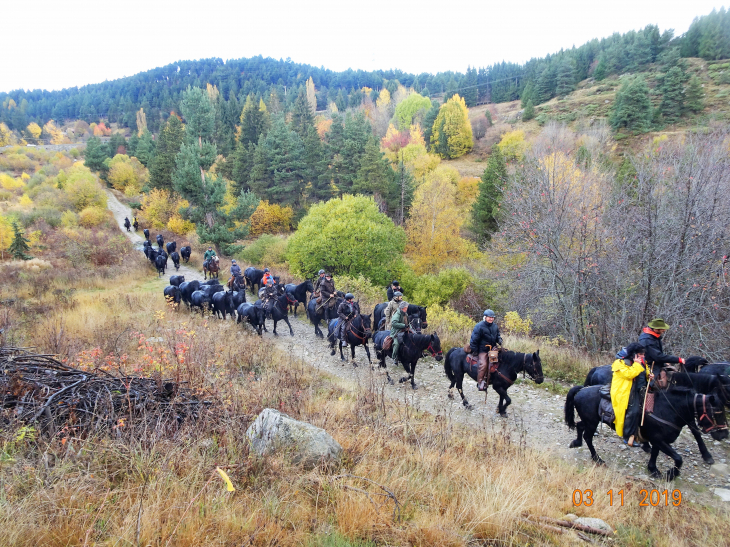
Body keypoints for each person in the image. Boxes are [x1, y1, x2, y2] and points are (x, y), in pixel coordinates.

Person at [611, 343, 653, 447]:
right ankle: (627, 436)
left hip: (640, 389)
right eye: (640, 354)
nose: (643, 356)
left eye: (643, 354)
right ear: (634, 354)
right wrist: (637, 364)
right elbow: (629, 374)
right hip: (626, 391)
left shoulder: (642, 362)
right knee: (634, 411)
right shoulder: (620, 363)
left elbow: (644, 373)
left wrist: (649, 375)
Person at [638, 318, 684, 388]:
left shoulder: (654, 337)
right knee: (653, 384)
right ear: (656, 329)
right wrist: (678, 359)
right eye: (662, 328)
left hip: (655, 363)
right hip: (649, 365)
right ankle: (648, 393)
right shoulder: (647, 340)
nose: (664, 330)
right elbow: (658, 356)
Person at [470, 309, 503, 391]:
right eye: (489, 317)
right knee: (484, 364)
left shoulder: (495, 326)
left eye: (492, 317)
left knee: (503, 359)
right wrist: (476, 351)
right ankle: (480, 382)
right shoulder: (479, 326)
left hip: (493, 349)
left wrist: (499, 340)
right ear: (485, 317)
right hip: (483, 350)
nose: (491, 319)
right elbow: (473, 340)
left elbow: (498, 335)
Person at [389, 301, 410, 366]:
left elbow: (408, 323)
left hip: (405, 331)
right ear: (402, 308)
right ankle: (395, 357)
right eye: (406, 308)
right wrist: (403, 326)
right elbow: (394, 323)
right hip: (397, 332)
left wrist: (410, 328)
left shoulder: (405, 314)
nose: (407, 309)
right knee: (396, 343)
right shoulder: (397, 314)